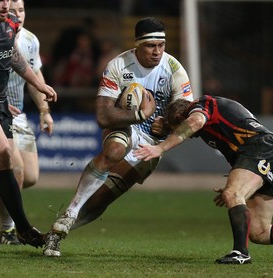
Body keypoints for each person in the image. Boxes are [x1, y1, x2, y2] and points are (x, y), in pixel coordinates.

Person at [43, 17, 193, 257]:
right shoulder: (119, 65)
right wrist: (139, 114)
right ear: (137, 45)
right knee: (114, 151)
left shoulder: (174, 68)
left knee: (102, 199)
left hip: (152, 143)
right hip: (127, 126)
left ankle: (56, 233)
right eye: (150, 46)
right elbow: (103, 116)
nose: (157, 52)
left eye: (161, 45)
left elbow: (184, 113)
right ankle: (70, 212)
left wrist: (165, 126)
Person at [133, 95, 273, 264]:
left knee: (234, 194)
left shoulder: (201, 105)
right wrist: (233, 186)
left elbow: (195, 121)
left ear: (181, 115)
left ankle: (240, 253)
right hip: (270, 152)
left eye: (175, 126)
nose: (184, 133)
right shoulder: (211, 127)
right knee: (260, 231)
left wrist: (159, 147)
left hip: (261, 148)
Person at [0, 0, 57, 248]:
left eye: (9, 0)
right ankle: (22, 229)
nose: (7, 6)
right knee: (5, 157)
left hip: (1, 106)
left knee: (0, 171)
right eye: (0, 0)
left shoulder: (8, 25)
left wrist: (38, 84)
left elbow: (14, 57)